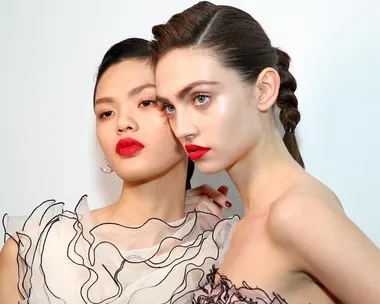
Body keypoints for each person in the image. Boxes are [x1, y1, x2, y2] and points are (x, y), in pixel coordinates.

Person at [151, 2, 380, 303]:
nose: (181, 128)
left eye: (201, 98)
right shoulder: (247, 224)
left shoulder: (296, 214)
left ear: (264, 90)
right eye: (169, 107)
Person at [0, 37, 238, 303]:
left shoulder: (225, 251)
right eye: (106, 113)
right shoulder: (35, 250)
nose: (123, 123)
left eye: (146, 102)